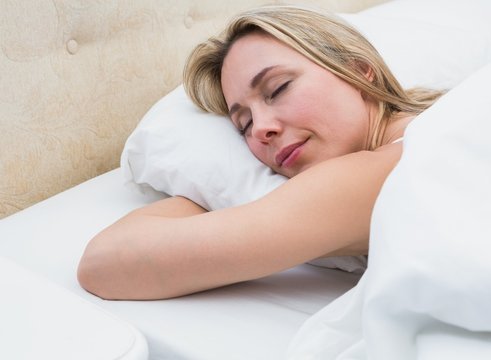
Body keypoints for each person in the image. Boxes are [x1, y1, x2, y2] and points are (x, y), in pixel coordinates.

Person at [77, 5, 443, 300]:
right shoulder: (433, 122)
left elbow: (104, 263)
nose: (262, 128)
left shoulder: (370, 174)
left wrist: (211, 200)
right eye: (244, 125)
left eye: (278, 88)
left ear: (359, 71)